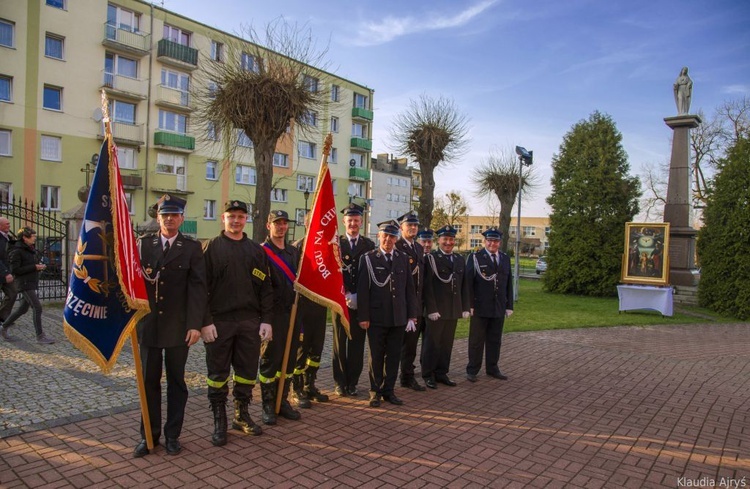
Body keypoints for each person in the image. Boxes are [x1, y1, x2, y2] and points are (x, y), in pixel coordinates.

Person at [134, 194, 207, 457]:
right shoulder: (142, 245)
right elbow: (133, 286)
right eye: (165, 215)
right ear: (158, 217)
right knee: (148, 382)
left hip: (179, 328)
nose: (169, 219)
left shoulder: (191, 247)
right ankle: (148, 436)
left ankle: (173, 435)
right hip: (149, 327)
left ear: (182, 219)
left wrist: (195, 325)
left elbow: (198, 288)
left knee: (177, 383)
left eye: (174, 215)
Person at [201, 200, 273, 446]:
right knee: (218, 375)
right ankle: (219, 419)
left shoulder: (256, 251)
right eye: (232, 216)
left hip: (249, 323)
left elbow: (265, 288)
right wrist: (205, 322)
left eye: (241, 217)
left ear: (246, 220)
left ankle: (241, 415)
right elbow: (201, 290)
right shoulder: (211, 248)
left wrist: (267, 321)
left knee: (245, 373)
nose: (236, 221)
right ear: (223, 218)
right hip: (219, 323)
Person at [357, 220, 419, 408]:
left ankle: (389, 390)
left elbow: (410, 288)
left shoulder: (402, 258)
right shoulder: (368, 258)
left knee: (393, 356)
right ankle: (375, 391)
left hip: (398, 316)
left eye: (392, 236)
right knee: (376, 356)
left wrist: (411, 314)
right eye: (385, 235)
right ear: (379, 236)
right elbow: (363, 290)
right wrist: (363, 316)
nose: (389, 240)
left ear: (396, 237)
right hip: (376, 317)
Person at [258, 210, 303, 425]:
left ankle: (282, 400)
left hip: (291, 314)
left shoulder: (293, 253)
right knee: (270, 360)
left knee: (289, 360)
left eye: (284, 223)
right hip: (271, 315)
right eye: (277, 223)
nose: (281, 227)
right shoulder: (261, 252)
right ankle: (268, 403)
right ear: (269, 225)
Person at [332, 203, 375, 397]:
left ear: (361, 222)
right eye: (350, 220)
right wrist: (344, 293)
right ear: (344, 222)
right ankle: (340, 382)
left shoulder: (369, 245)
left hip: (361, 302)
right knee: (340, 343)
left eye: (356, 220)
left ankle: (353, 383)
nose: (353, 223)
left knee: (357, 344)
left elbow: (372, 274)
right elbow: (331, 274)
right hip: (340, 302)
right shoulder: (335, 244)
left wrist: (359, 296)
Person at [422, 225, 470, 389]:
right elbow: (427, 287)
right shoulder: (431, 259)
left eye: (451, 239)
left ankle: (442, 373)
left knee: (447, 343)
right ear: (439, 240)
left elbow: (464, 285)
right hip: (436, 310)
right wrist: (431, 309)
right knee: (432, 343)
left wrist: (465, 306)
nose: (448, 242)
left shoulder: (459, 259)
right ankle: (428, 374)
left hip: (452, 309)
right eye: (445, 239)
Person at [465, 228, 513, 382]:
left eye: (496, 241)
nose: (492, 243)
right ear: (484, 241)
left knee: (495, 340)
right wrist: (469, 304)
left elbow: (508, 283)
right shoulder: (475, 258)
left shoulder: (505, 258)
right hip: (480, 306)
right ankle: (472, 369)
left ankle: (492, 368)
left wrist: (509, 305)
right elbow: (469, 283)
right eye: (490, 240)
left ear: (499, 242)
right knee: (476, 340)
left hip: (498, 306)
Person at [291, 227, 329, 408]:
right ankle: (297, 388)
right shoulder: (298, 247)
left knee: (316, 349)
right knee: (301, 350)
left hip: (320, 307)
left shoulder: (325, 248)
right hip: (303, 309)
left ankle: (309, 384)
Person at [0, 227, 54, 344]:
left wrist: (37, 267)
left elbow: (29, 265)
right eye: (33, 236)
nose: (35, 238)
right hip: (23, 283)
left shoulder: (29, 249)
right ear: (24, 237)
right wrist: (34, 267)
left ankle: (3, 327)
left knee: (22, 309)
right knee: (37, 307)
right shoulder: (17, 250)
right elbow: (15, 270)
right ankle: (40, 336)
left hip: (30, 281)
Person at [395, 211, 426, 392]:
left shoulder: (419, 248)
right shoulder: (397, 246)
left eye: (415, 225)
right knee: (397, 344)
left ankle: (407, 376)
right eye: (409, 225)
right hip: (402, 304)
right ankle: (391, 377)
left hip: (416, 304)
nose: (413, 228)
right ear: (401, 228)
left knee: (411, 345)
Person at [0, 217, 18, 340]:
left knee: (12, 293)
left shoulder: (7, 237)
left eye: (9, 224)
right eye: (6, 224)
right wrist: (5, 272)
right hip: (2, 272)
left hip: (7, 272)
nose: (9, 226)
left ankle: (3, 317)